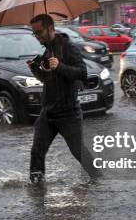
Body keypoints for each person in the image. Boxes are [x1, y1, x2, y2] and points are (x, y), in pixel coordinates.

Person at [27, 13, 99, 184]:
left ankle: (98, 179)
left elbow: (82, 73)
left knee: (78, 151)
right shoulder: (47, 52)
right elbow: (47, 79)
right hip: (48, 112)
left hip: (68, 113)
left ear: (50, 28)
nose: (37, 36)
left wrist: (60, 66)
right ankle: (36, 187)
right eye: (34, 33)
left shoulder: (69, 48)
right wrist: (35, 70)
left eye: (39, 32)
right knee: (37, 151)